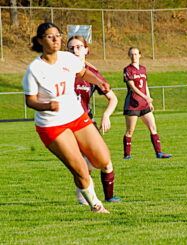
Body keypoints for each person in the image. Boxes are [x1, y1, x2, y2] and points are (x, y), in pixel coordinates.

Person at [22, 22, 113, 213]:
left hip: (76, 116)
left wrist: (100, 82)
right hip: (52, 124)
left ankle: (83, 177)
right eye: (49, 36)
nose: (55, 39)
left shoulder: (67, 58)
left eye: (58, 35)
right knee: (80, 169)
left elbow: (83, 72)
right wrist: (47, 105)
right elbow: (30, 101)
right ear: (40, 41)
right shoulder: (34, 69)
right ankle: (95, 205)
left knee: (103, 160)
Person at [67, 35, 121, 204]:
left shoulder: (93, 74)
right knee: (81, 164)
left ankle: (110, 197)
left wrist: (106, 115)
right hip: (66, 125)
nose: (74, 50)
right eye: (71, 48)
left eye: (78, 47)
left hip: (87, 123)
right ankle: (84, 196)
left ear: (86, 50)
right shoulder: (62, 70)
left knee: (106, 163)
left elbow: (113, 98)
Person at [122, 47, 172, 159]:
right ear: (129, 56)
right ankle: (127, 155)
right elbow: (132, 87)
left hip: (144, 104)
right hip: (132, 104)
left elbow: (145, 86)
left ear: (140, 55)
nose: (134, 56)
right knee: (130, 130)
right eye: (132, 54)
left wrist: (149, 100)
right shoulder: (128, 69)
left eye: (136, 54)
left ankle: (159, 153)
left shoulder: (143, 69)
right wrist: (145, 97)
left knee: (153, 127)